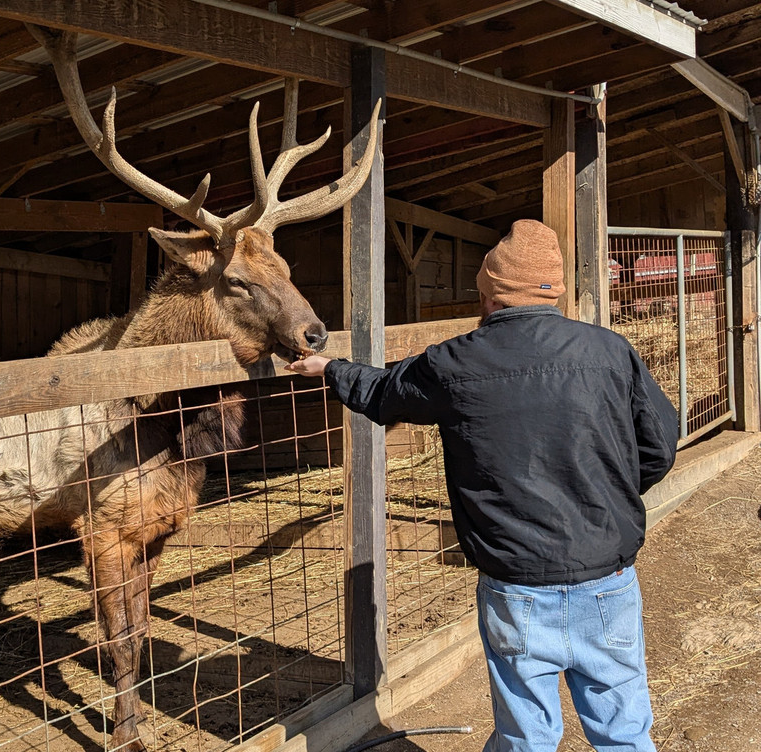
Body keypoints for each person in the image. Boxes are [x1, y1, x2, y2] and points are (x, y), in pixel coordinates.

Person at [286, 219, 679, 752]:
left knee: (526, 737)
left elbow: (382, 393)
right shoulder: (611, 351)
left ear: (490, 290)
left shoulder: (456, 360)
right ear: (555, 288)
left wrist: (330, 368)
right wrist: (606, 492)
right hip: (606, 579)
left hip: (515, 586)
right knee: (624, 733)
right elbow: (659, 444)